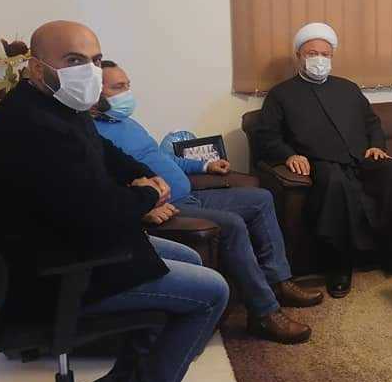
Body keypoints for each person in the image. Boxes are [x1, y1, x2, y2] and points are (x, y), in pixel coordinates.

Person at [0, 20, 228, 382]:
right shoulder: (30, 127)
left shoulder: (54, 105)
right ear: (36, 67)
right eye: (74, 60)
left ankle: (128, 379)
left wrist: (143, 174)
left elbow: (102, 152)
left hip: (74, 244)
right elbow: (96, 212)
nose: (89, 71)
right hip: (59, 273)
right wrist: (148, 195)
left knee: (190, 257)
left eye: (96, 60)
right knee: (213, 291)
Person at [93, 61, 320, 344]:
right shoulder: (93, 135)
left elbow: (164, 159)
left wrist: (204, 166)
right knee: (232, 224)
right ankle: (264, 314)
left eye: (128, 85)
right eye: (118, 87)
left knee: (261, 198)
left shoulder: (128, 123)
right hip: (168, 208)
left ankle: (279, 282)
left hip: (192, 196)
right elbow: (104, 186)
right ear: (95, 94)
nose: (127, 93)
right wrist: (144, 208)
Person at [253, 22, 392, 298]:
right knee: (334, 182)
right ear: (299, 56)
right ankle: (339, 264)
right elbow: (267, 136)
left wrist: (376, 146)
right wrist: (289, 155)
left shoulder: (348, 88)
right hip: (321, 163)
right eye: (312, 54)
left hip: (361, 158)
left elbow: (372, 123)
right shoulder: (281, 94)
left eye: (325, 54)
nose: (319, 60)